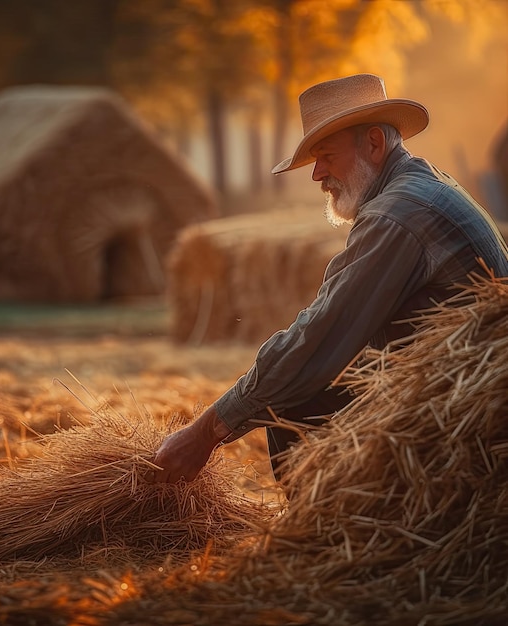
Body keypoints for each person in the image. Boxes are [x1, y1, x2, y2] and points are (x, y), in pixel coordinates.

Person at [148, 73, 508, 485]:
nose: (317, 174)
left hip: (469, 417)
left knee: (293, 404)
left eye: (326, 156)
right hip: (463, 393)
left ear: (373, 144)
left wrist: (207, 432)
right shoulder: (418, 187)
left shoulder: (398, 214)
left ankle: (325, 541)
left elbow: (319, 335)